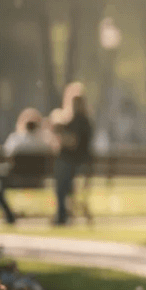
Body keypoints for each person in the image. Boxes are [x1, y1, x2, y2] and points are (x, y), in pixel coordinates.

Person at [0, 107, 56, 224]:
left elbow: (5, 155)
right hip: (40, 180)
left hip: (15, 179)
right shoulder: (44, 141)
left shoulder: (16, 140)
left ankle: (8, 214)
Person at [51, 83, 93, 226]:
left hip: (76, 164)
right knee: (62, 173)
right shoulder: (79, 121)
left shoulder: (80, 121)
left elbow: (73, 143)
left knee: (62, 173)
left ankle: (62, 213)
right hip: (76, 164)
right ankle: (62, 212)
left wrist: (60, 135)